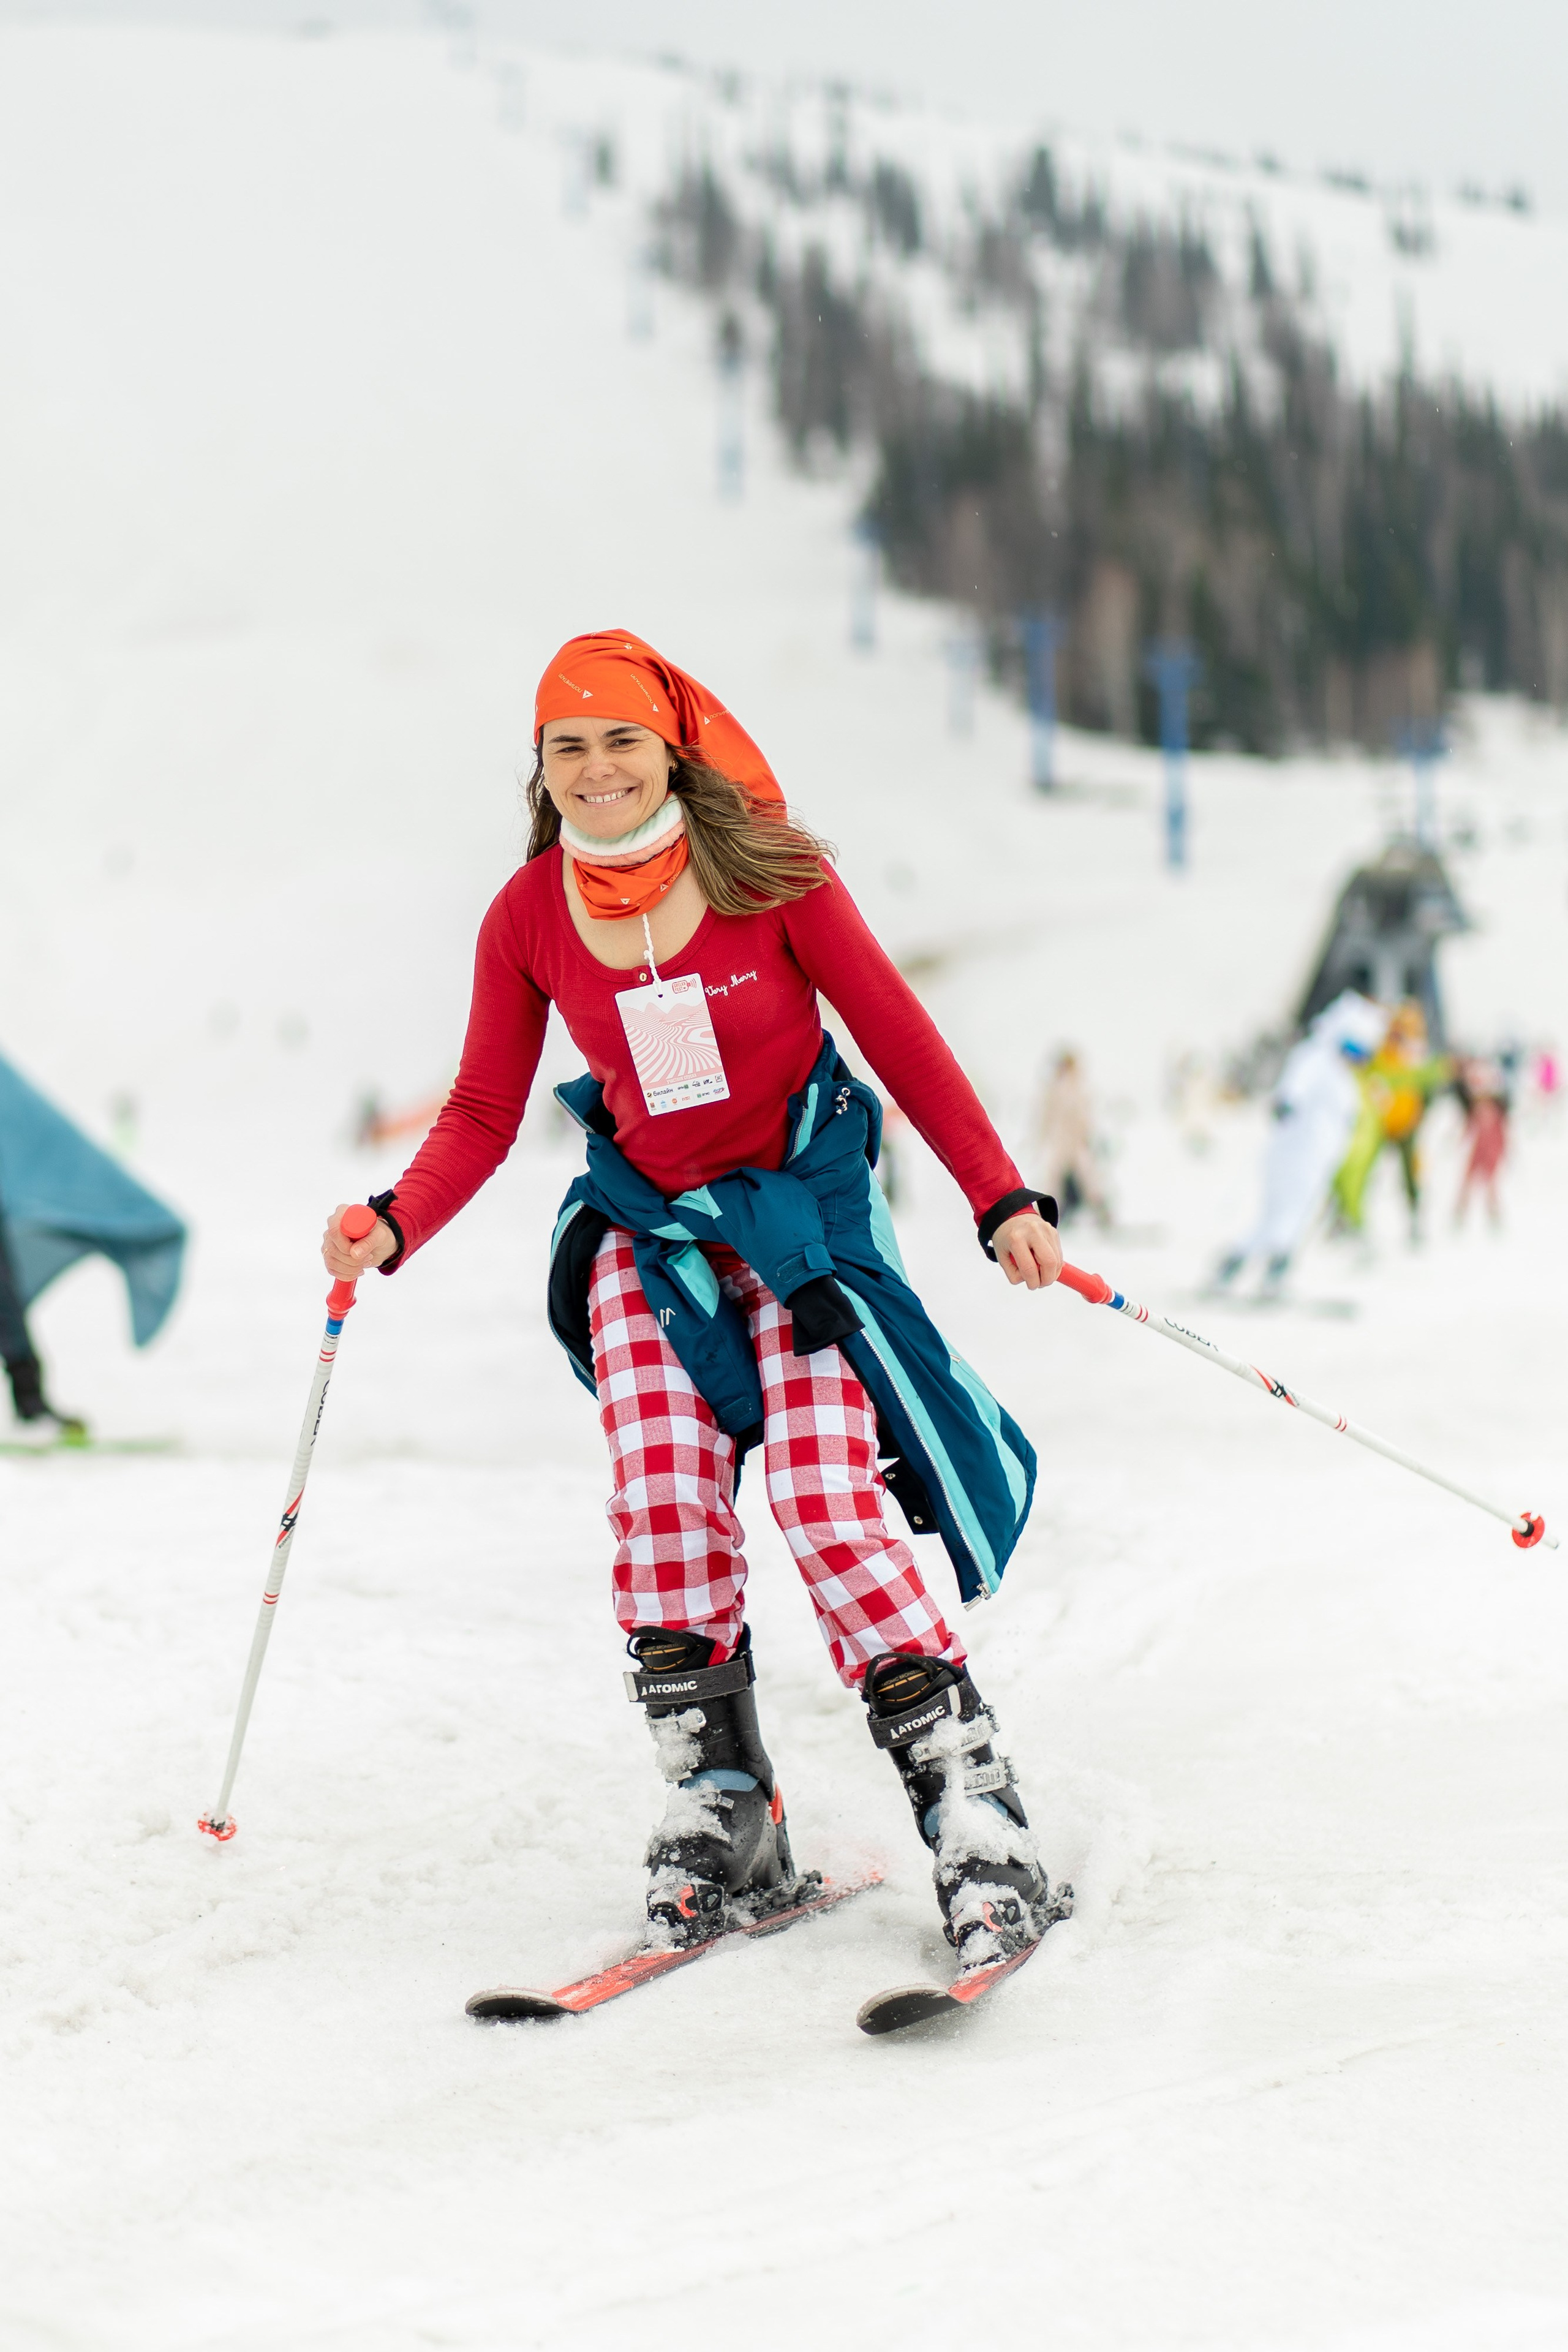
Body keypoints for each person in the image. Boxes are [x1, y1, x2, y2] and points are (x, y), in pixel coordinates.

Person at [323, 630, 1066, 1972]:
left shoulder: (772, 872)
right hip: (650, 1233)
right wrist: (396, 1221)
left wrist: (998, 1193)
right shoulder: (532, 914)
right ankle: (723, 1802)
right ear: (540, 770)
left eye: (620, 739)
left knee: (828, 1501)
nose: (597, 768)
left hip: (801, 1226)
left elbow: (895, 1030)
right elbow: (489, 1104)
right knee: (662, 1486)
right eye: (568, 745)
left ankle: (974, 1808)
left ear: (671, 747)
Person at [1213, 992, 1385, 1295]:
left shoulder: (1342, 1075)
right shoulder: (1316, 1057)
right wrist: (1287, 1102)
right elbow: (1295, 1086)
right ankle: (1256, 1268)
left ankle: (1260, 1270)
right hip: (1295, 1153)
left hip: (1318, 1158)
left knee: (1297, 1215)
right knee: (1282, 1213)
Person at [1331, 1001, 1453, 1243]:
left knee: (1409, 1177)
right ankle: (1344, 1218)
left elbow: (1425, 1081)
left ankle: (1414, 1222)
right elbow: (1375, 1072)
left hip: (1406, 1127)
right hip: (1381, 1126)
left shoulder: (1417, 1056)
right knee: (1360, 1172)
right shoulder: (1383, 1053)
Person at [1035, 1048, 1109, 1227]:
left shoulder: (1079, 1087)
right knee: (1054, 1180)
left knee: (1089, 1178)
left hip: (1077, 1143)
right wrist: (1040, 1141)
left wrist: (1089, 1137)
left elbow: (1086, 1116)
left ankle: (1103, 1215)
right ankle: (1045, 1218)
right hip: (1061, 1142)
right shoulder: (1054, 1088)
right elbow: (1046, 1117)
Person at [1453, 1054, 1510, 1227]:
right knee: (1467, 1182)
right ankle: (1460, 1214)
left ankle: (1494, 1215)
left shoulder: (1497, 1113)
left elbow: (1503, 1135)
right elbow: (1468, 1130)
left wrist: (1503, 1151)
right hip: (1477, 1152)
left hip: (1490, 1152)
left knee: (1491, 1184)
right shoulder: (1475, 1111)